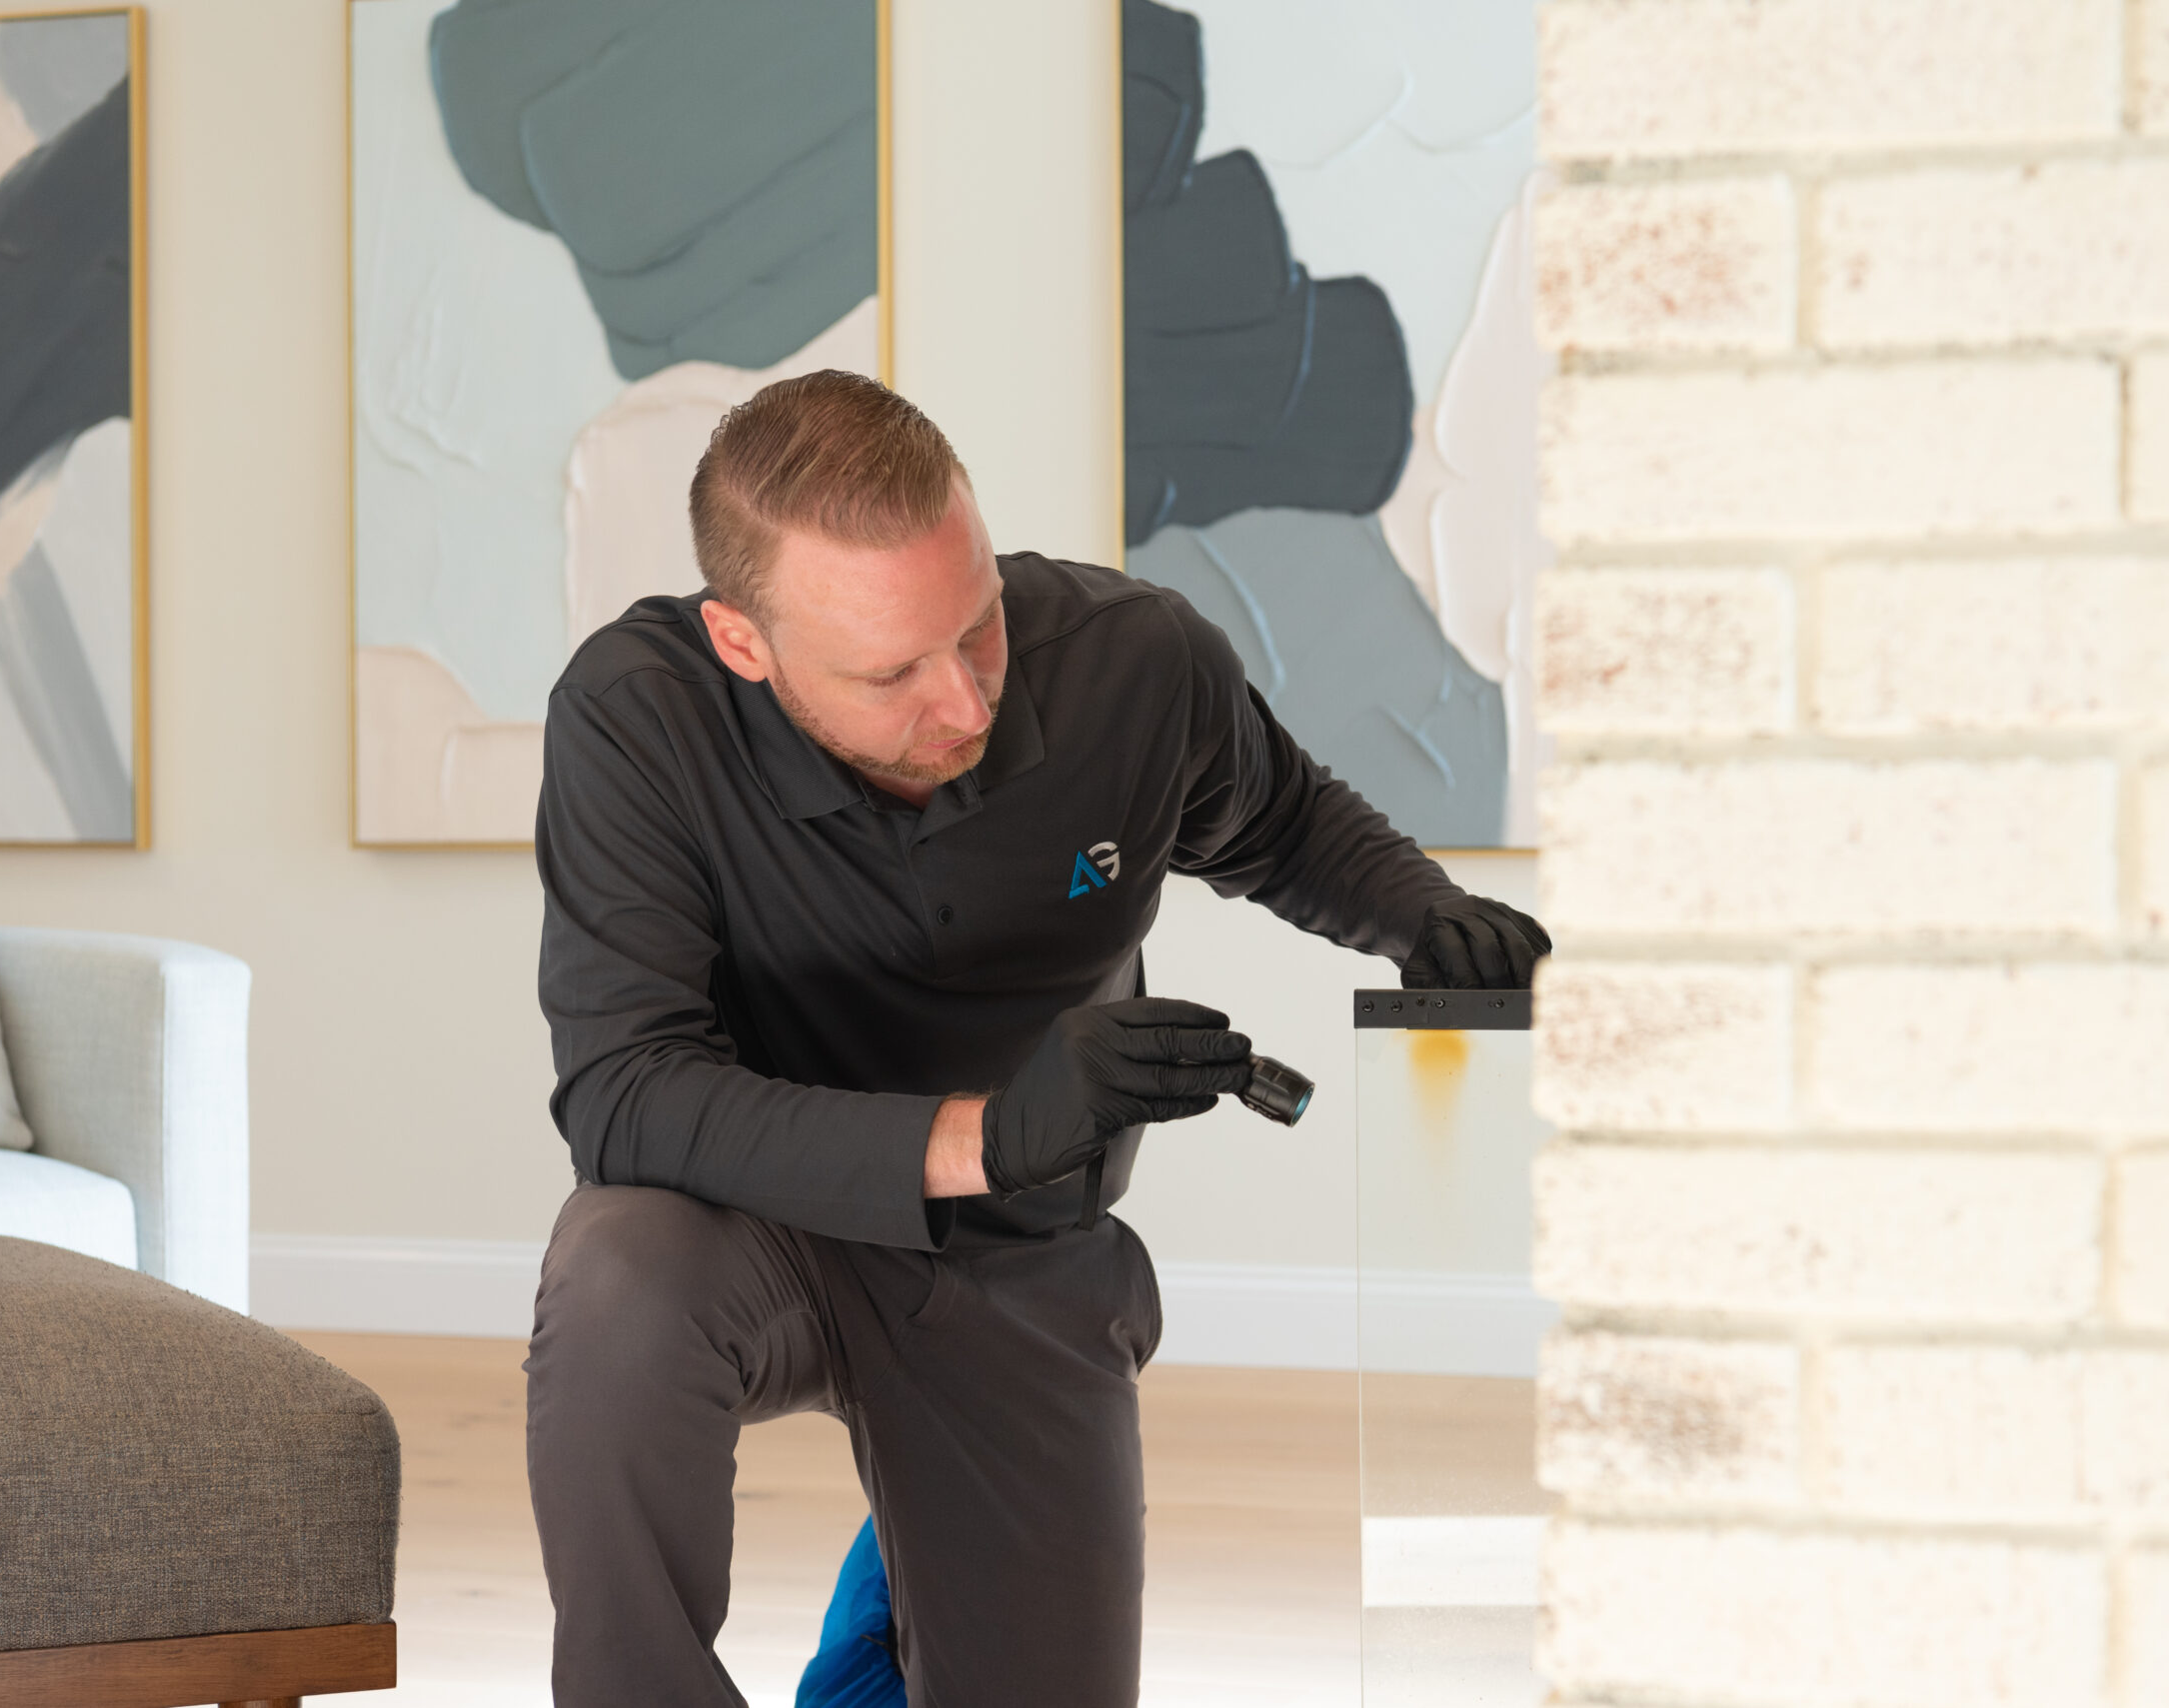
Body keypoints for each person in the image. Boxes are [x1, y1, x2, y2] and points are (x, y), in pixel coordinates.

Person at [529, 371, 1549, 1707]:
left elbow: (1284, 820)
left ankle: (907, 1571)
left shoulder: (1138, 663)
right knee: (616, 1275)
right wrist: (988, 1132)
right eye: (892, 672)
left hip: (1019, 1267)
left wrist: (1426, 916)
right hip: (757, 1233)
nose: (963, 701)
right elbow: (627, 1096)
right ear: (744, 645)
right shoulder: (638, 715)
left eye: (980, 626)